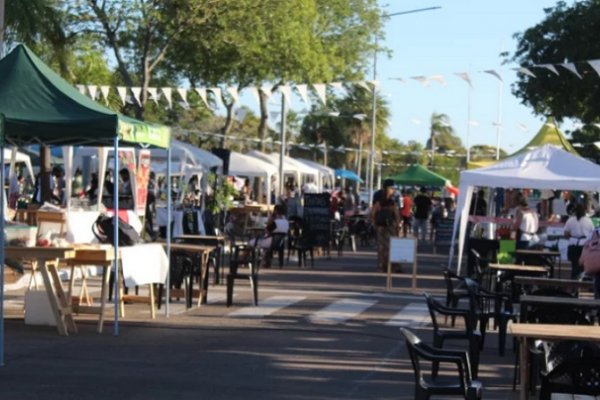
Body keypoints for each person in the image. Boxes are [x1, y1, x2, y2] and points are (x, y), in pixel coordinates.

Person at [370, 179, 400, 272]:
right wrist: (398, 224)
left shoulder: (377, 194)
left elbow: (374, 209)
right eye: (392, 187)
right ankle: (391, 266)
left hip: (381, 223)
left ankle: (382, 266)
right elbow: (396, 211)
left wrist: (373, 220)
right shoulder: (394, 196)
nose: (393, 189)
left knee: (382, 246)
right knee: (391, 245)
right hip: (390, 224)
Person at [564, 203, 594, 279]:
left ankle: (574, 282)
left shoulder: (570, 220)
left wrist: (572, 237)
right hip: (584, 245)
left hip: (573, 244)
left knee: (574, 265)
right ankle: (580, 281)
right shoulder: (588, 221)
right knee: (582, 266)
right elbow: (592, 234)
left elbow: (566, 234)